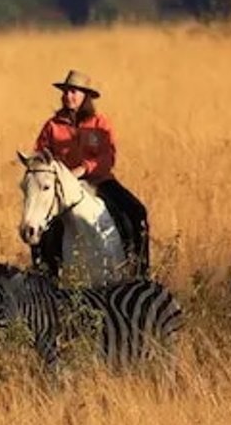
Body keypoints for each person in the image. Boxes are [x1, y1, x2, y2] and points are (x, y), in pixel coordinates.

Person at [29, 70, 150, 276]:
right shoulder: (52, 126)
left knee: (137, 212)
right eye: (65, 92)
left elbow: (108, 156)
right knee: (39, 223)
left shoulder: (99, 123)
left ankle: (139, 269)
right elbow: (41, 155)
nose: (68, 96)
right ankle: (44, 273)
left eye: (73, 92)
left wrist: (84, 168)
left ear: (85, 96)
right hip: (63, 187)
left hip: (99, 181)